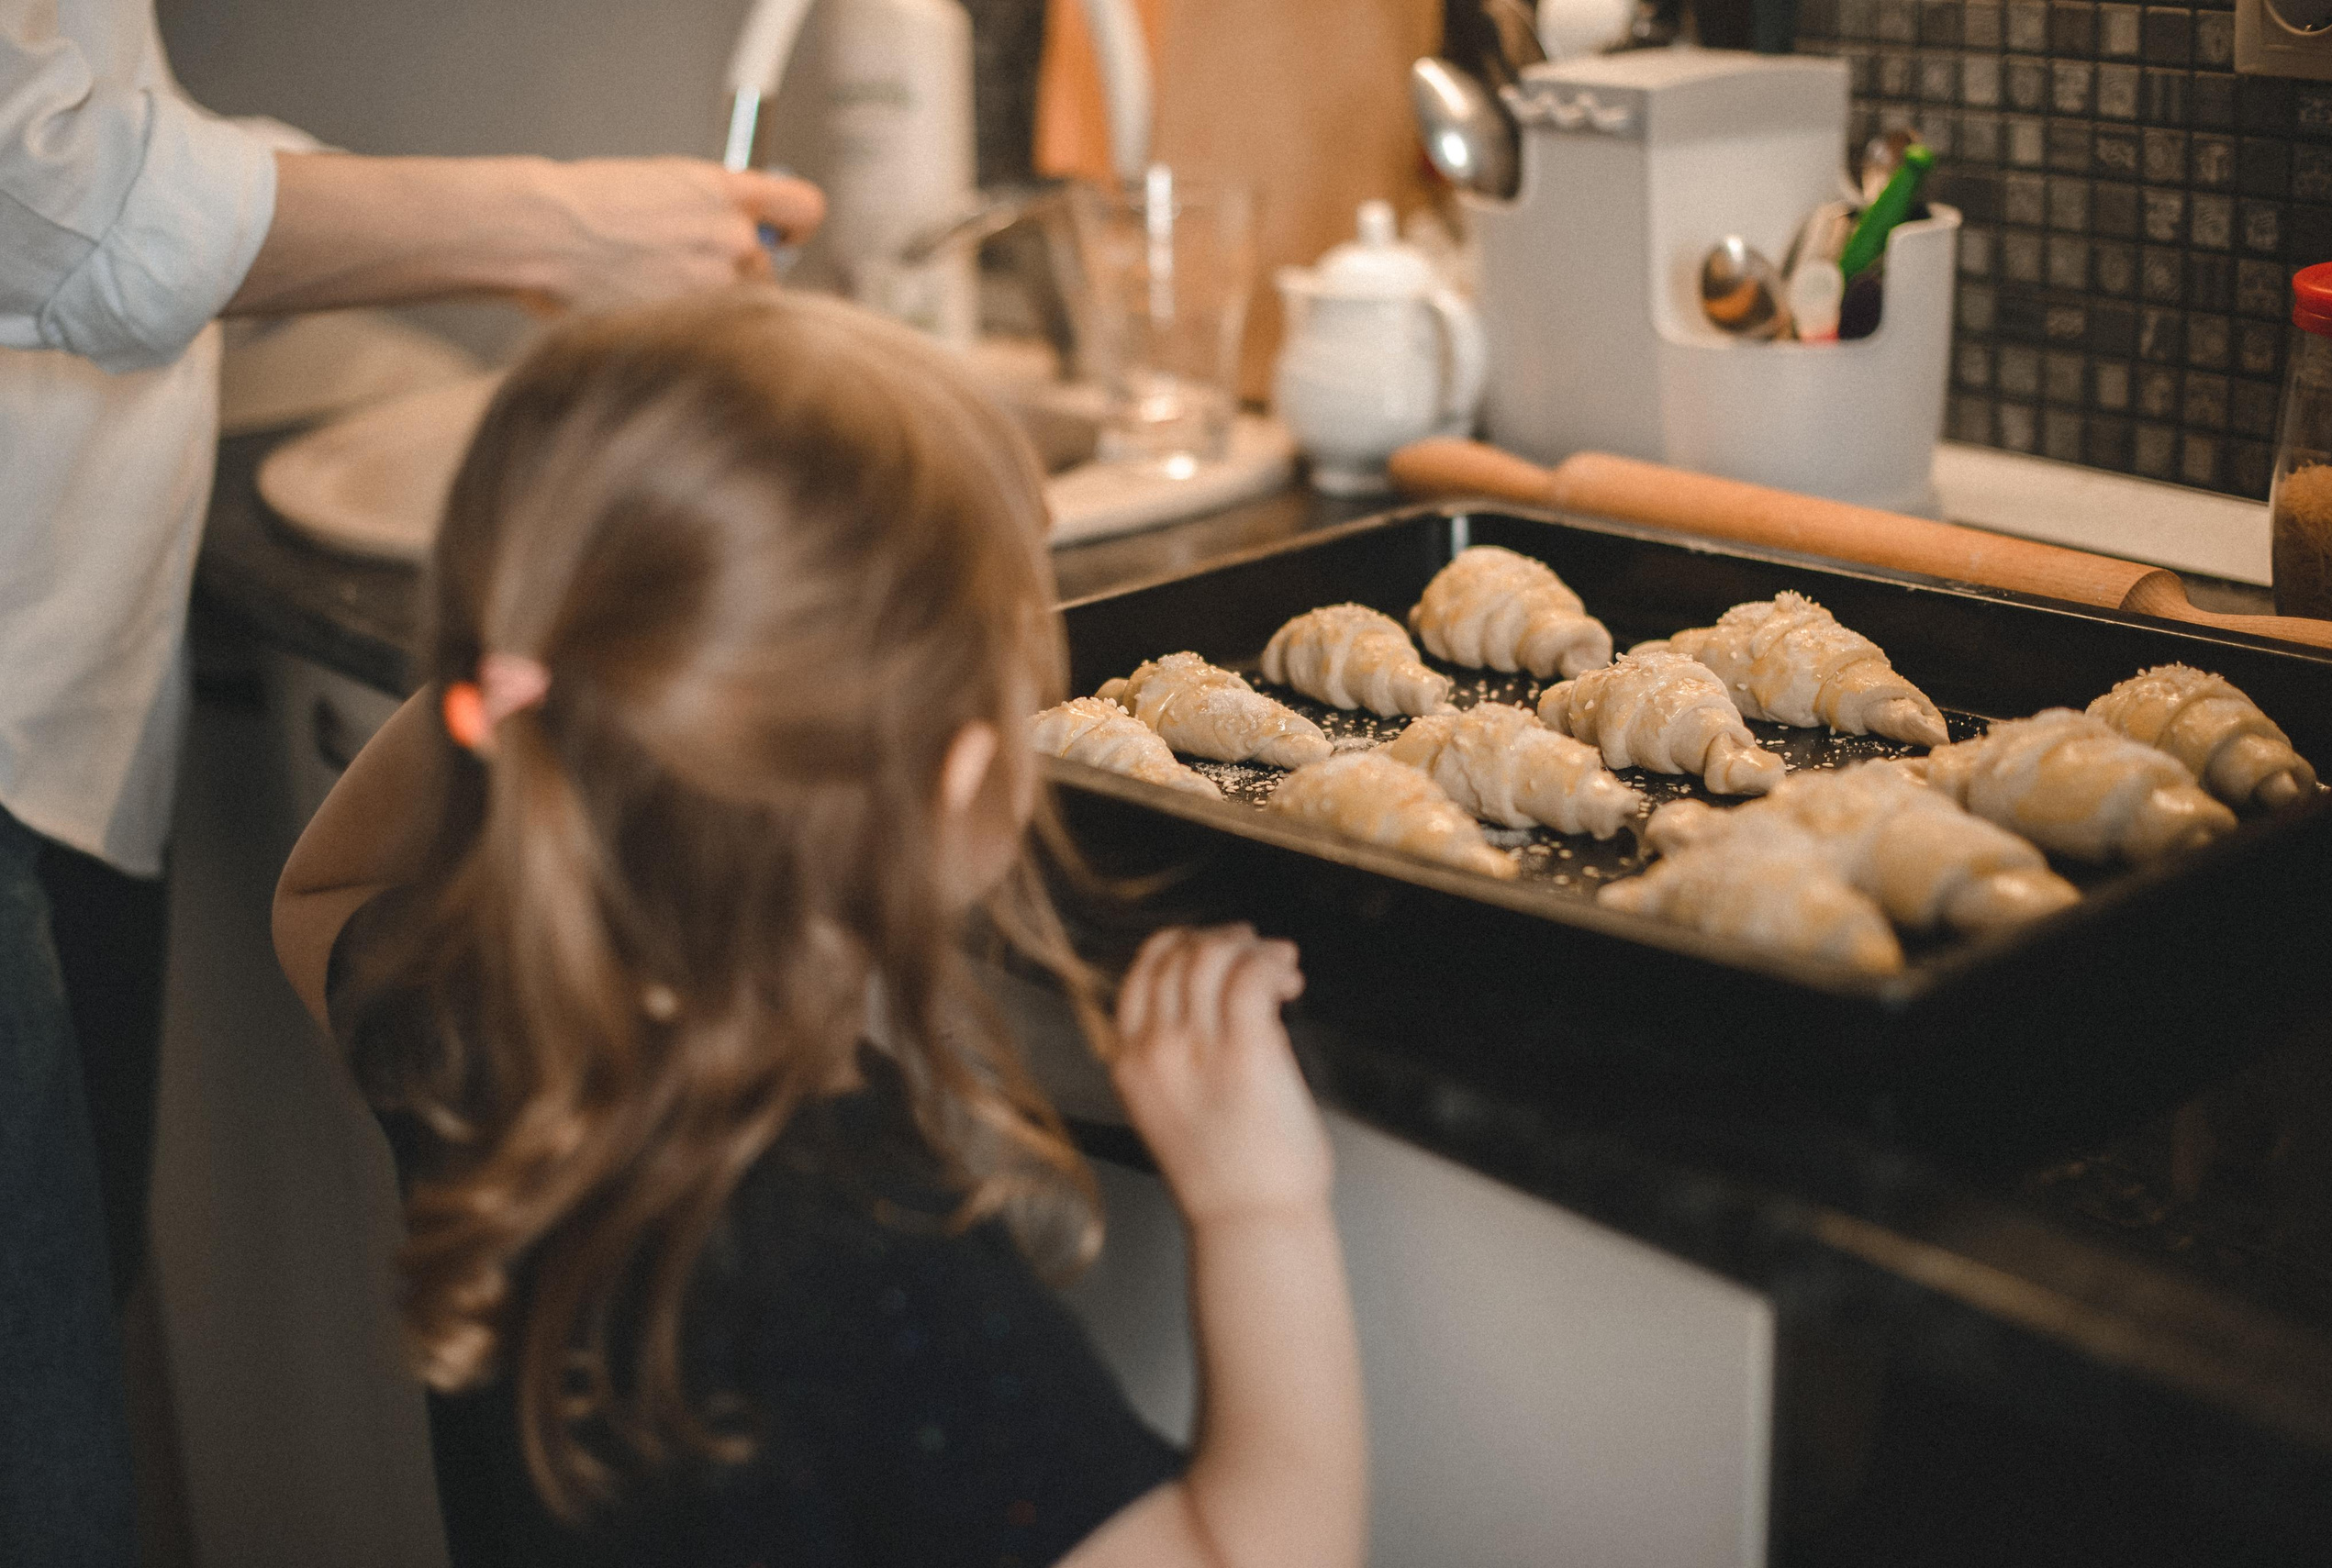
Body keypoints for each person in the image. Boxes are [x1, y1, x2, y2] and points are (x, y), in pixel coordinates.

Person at [269, 288, 1367, 1566]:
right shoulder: (872, 1256)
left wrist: (530, 667)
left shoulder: (483, 1024)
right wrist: (1258, 1205)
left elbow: (321, 889)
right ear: (964, 790)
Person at [0, 6, 825, 1562]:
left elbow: (321, 888)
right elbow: (47, 177)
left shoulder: (443, 1018)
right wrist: (1249, 1195)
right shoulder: (926, 1261)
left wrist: (496, 660)